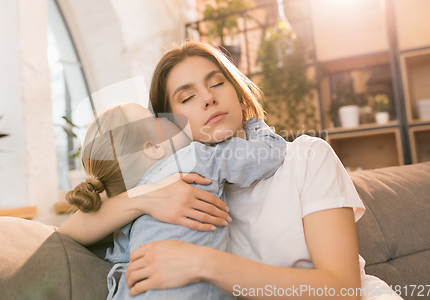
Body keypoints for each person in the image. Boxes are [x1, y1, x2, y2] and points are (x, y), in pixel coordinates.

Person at [58, 41, 403, 300]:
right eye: (186, 96)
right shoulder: (177, 191)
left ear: (238, 94)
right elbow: (67, 234)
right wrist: (144, 199)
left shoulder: (307, 156)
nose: (207, 98)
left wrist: (203, 263)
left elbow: (343, 289)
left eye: (217, 82)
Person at [66, 101, 286, 299]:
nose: (167, 118)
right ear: (154, 148)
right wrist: (253, 122)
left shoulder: (122, 212)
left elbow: (117, 258)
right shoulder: (194, 157)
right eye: (156, 119)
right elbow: (268, 154)